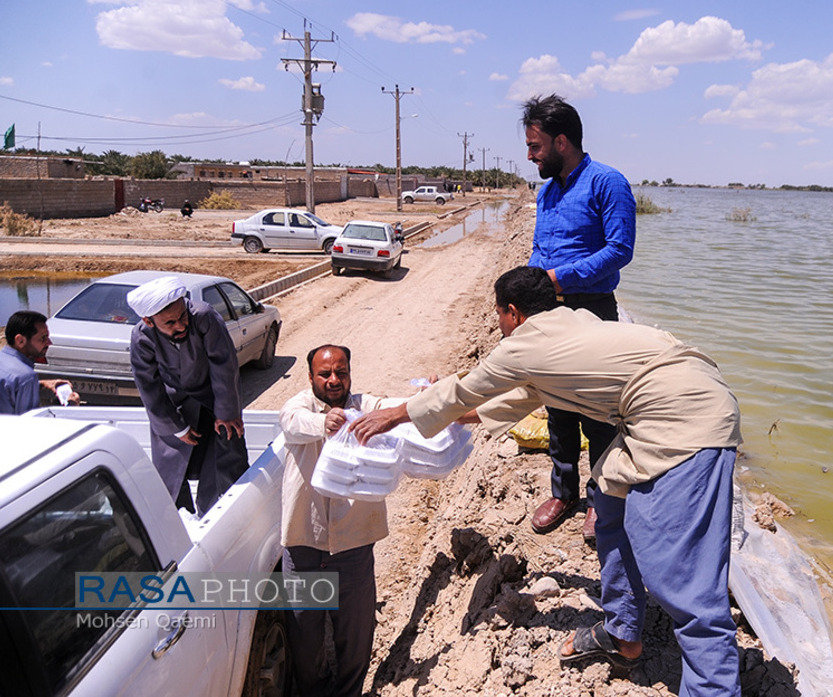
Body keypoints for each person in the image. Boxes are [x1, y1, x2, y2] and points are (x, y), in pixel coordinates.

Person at [350, 267, 743, 696]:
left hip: (685, 416)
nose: (498, 323)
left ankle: (713, 687)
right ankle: (623, 631)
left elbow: (465, 390)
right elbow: (517, 397)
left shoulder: (524, 346)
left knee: (682, 575)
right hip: (670, 401)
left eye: (498, 314)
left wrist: (392, 415)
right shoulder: (570, 323)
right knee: (609, 501)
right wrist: (439, 414)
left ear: (513, 313)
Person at [521, 93, 636, 541]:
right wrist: (531, 288)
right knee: (558, 408)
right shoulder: (547, 192)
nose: (531, 156)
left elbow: (618, 252)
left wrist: (557, 278)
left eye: (536, 147)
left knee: (599, 413)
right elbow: (539, 249)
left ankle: (600, 499)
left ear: (562, 141)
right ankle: (563, 491)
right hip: (550, 311)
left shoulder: (608, 183)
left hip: (592, 310)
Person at [279, 344, 386, 697]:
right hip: (305, 544)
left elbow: (394, 409)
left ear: (350, 374)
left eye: (341, 372)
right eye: (325, 374)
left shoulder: (364, 407)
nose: (333, 380)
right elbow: (292, 423)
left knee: (354, 636)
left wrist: (424, 396)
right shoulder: (301, 409)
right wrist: (323, 423)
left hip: (353, 545)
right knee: (305, 638)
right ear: (311, 377)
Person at [127, 275, 247, 516]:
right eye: (169, 323)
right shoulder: (142, 337)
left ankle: (216, 516)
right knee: (171, 472)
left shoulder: (204, 316)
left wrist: (227, 412)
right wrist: (176, 427)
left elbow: (224, 366)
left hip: (214, 400)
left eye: (182, 317)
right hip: (173, 407)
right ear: (148, 321)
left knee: (224, 461)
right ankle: (177, 519)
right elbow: (149, 388)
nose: (180, 326)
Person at [0, 310, 80, 413]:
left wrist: (42, 384)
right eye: (43, 338)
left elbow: (5, 389)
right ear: (20, 341)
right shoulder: (25, 377)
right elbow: (28, 423)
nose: (49, 342)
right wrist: (70, 407)